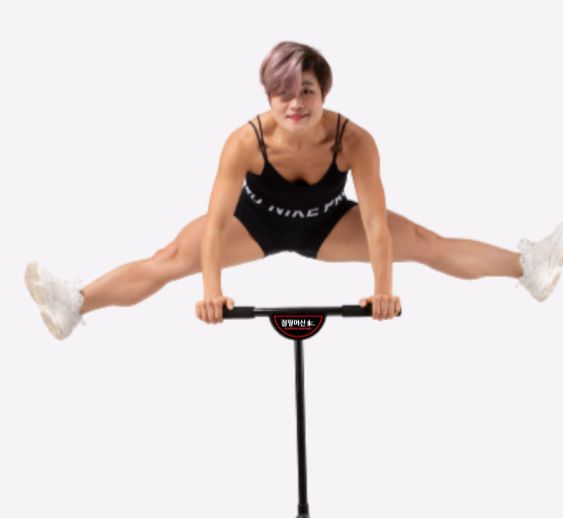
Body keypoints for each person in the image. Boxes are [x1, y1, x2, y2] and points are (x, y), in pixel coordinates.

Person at [25, 41, 563, 340]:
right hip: (252, 224)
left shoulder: (355, 141)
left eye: (306, 91)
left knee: (423, 240)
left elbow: (376, 225)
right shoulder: (244, 141)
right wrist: (212, 293)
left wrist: (382, 291)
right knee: (168, 258)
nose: (296, 104)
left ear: (323, 91)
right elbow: (215, 225)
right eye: (283, 94)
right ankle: (75, 304)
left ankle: (530, 267)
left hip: (328, 224)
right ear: (269, 96)